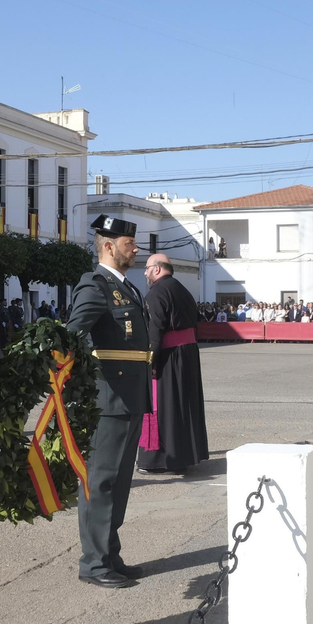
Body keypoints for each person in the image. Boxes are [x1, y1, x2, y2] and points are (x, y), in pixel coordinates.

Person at [66, 215, 152, 589]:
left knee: (119, 482)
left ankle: (110, 555)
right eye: (128, 243)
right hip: (108, 398)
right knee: (99, 482)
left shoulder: (126, 287)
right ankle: (94, 563)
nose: (134, 249)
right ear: (108, 246)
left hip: (130, 396)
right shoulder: (95, 285)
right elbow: (72, 334)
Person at [137, 253, 209, 474]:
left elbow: (155, 332)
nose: (145, 273)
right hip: (187, 354)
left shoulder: (156, 293)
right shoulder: (183, 289)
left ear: (157, 269)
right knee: (183, 406)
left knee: (163, 407)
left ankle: (160, 460)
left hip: (167, 357)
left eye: (147, 268)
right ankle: (185, 456)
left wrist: (149, 361)